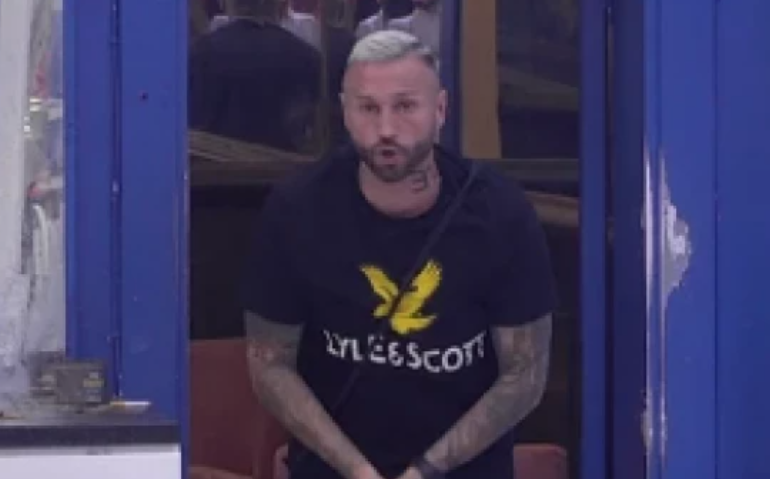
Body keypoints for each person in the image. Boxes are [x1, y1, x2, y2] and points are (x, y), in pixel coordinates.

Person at [244, 30, 556, 479]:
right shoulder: (298, 210)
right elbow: (270, 366)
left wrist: (425, 471)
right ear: (345, 112)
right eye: (368, 108)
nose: (386, 128)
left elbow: (525, 375)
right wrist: (358, 471)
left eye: (406, 106)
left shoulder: (500, 213)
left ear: (440, 110)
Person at [188, 0, 320, 151]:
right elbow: (314, 130)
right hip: (286, 162)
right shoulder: (307, 57)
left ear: (229, 4)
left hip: (211, 160)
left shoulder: (200, 52)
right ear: (278, 4)